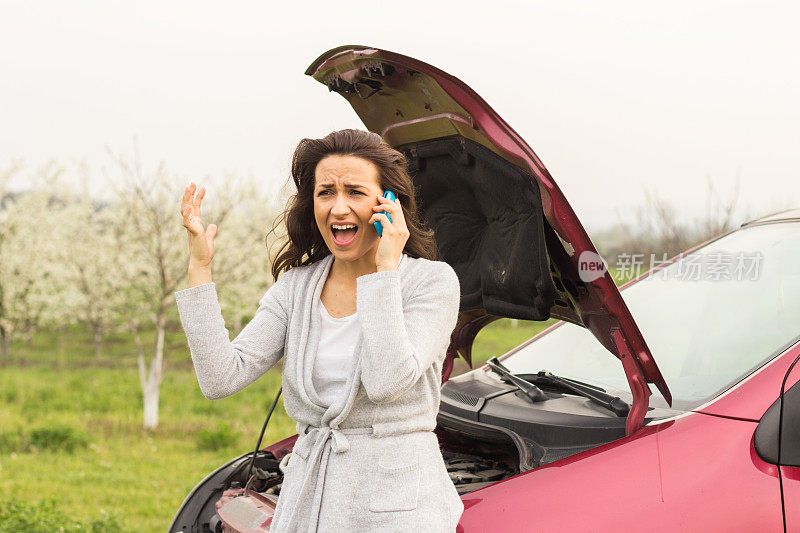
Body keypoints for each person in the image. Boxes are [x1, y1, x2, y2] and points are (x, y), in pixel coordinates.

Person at [174, 129, 464, 532]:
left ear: (389, 205)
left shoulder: (431, 283)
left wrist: (385, 270)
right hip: (310, 502)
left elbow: (386, 381)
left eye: (355, 192)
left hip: (398, 506)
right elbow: (220, 378)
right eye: (325, 192)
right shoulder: (297, 287)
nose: (339, 208)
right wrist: (200, 270)